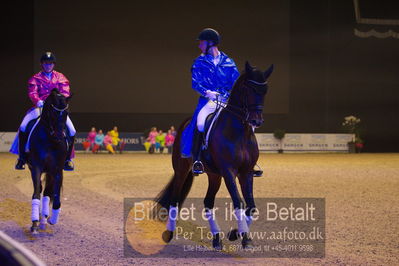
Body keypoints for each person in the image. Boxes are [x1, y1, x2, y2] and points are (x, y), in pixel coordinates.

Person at [181, 28, 240, 175]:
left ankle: (248, 160)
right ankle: (197, 160)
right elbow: (195, 83)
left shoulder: (229, 62)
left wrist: (225, 95)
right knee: (200, 122)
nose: (199, 46)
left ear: (210, 43)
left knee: (244, 121)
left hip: (227, 100)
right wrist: (208, 93)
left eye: (201, 42)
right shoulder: (199, 62)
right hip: (208, 101)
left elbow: (236, 82)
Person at [14, 52, 76, 171]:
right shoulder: (35, 78)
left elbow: (65, 92)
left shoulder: (61, 77)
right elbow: (32, 92)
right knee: (23, 126)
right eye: (46, 63)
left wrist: (58, 100)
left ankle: (67, 159)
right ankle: (21, 158)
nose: (48, 65)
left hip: (56, 108)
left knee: (72, 130)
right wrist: (37, 101)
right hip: (40, 107)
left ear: (54, 64)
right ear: (41, 64)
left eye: (50, 63)